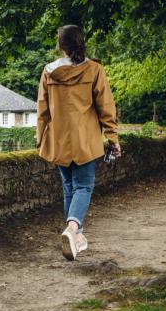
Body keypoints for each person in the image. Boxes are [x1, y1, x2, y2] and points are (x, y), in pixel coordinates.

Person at [36, 25, 121, 260]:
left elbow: (43, 109)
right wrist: (113, 137)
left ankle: (77, 239)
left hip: (59, 139)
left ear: (60, 45)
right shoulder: (94, 69)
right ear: (81, 43)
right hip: (86, 140)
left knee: (69, 189)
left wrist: (40, 138)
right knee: (83, 187)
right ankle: (73, 229)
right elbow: (106, 107)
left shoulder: (48, 71)